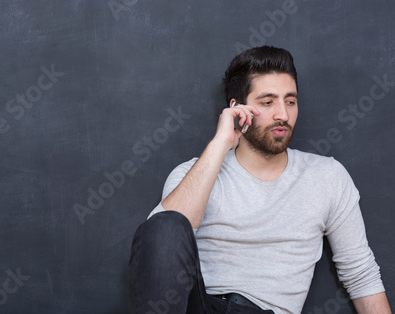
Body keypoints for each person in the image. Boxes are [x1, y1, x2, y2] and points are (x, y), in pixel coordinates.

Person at [127, 46, 391, 314]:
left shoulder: (328, 177)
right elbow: (158, 242)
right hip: (201, 306)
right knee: (167, 224)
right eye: (268, 102)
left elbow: (362, 276)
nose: (283, 115)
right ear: (237, 109)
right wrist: (222, 142)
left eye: (290, 101)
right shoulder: (192, 173)